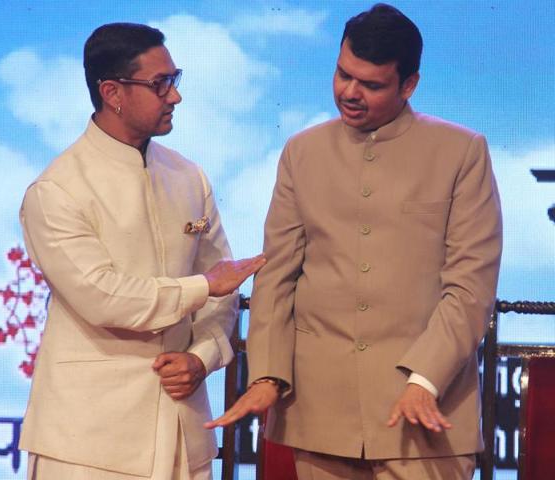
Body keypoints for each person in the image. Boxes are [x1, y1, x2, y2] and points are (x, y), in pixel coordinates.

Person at [206, 4, 502, 479]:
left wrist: (425, 379)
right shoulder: (302, 152)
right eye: (343, 74)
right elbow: (278, 276)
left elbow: (470, 285)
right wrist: (266, 374)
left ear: (409, 85)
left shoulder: (460, 152)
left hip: (425, 417)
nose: (350, 92)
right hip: (318, 415)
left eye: (372, 84)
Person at [18, 22, 266, 480]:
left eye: (175, 79)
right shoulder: (56, 191)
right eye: (160, 84)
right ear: (112, 91)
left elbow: (225, 294)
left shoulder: (189, 177)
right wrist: (203, 286)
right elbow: (104, 297)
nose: (175, 96)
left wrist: (201, 358)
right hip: (88, 444)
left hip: (183, 435)